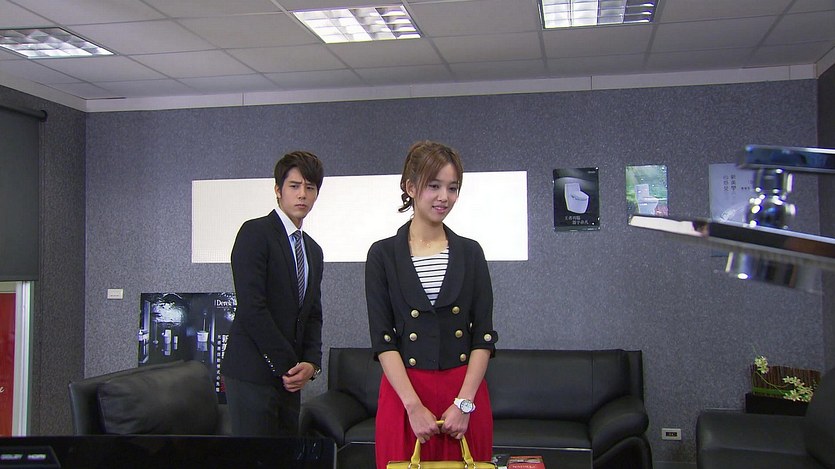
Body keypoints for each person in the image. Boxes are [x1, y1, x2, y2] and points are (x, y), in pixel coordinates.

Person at [365, 141, 497, 469]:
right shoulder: (382, 255)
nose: (444, 197)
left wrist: (464, 404)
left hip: (463, 393)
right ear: (410, 187)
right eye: (434, 186)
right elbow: (383, 340)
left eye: (453, 188)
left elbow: (483, 336)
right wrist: (412, 407)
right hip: (405, 394)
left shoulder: (471, 252)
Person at [221, 151, 325, 436]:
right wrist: (289, 365)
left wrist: (311, 363)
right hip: (253, 372)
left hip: (289, 379)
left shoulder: (313, 250)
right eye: (294, 186)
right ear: (278, 190)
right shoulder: (255, 233)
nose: (302, 194)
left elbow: (313, 314)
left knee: (285, 454)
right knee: (256, 456)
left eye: (310, 187)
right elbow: (252, 307)